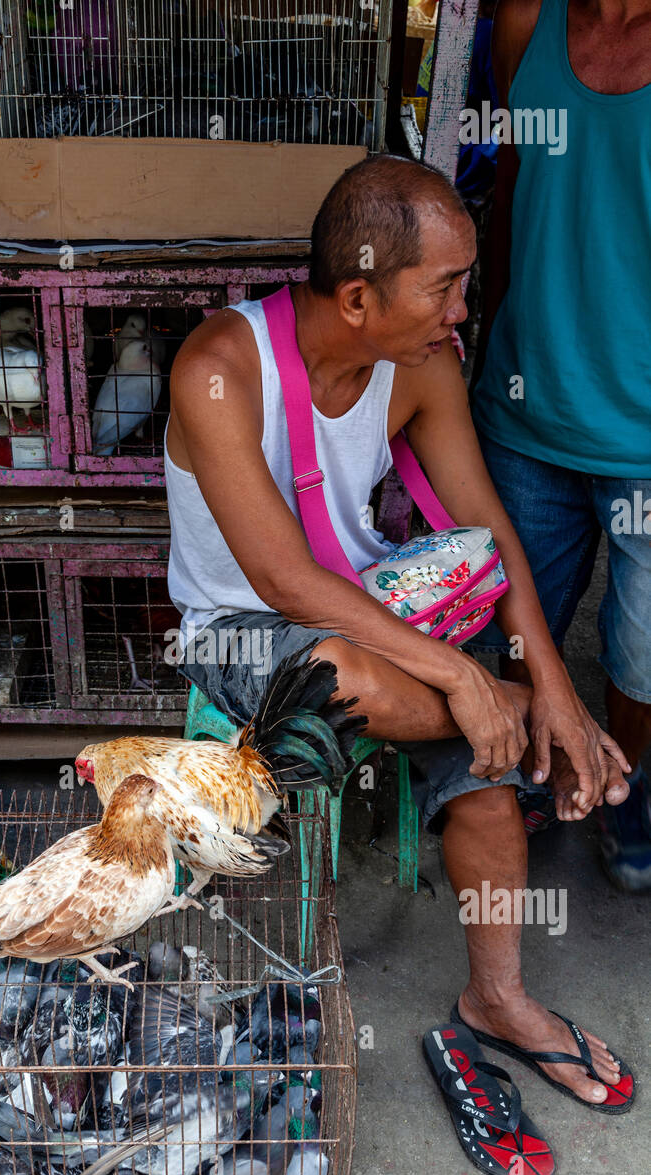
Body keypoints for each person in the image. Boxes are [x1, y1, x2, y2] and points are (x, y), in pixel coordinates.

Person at [165, 154, 632, 1108]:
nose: (465, 307)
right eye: (446, 286)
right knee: (351, 677)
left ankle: (497, 997)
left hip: (376, 611)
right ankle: (515, 721)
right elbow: (283, 581)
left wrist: (551, 681)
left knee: (489, 783)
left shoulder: (421, 367)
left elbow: (488, 531)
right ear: (357, 297)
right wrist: (477, 684)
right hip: (241, 628)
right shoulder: (218, 369)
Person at [472, 0, 651, 889]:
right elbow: (511, 181)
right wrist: (484, 324)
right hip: (526, 398)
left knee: (644, 654)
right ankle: (538, 774)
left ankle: (630, 785)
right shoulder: (524, 21)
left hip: (645, 430)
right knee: (515, 620)